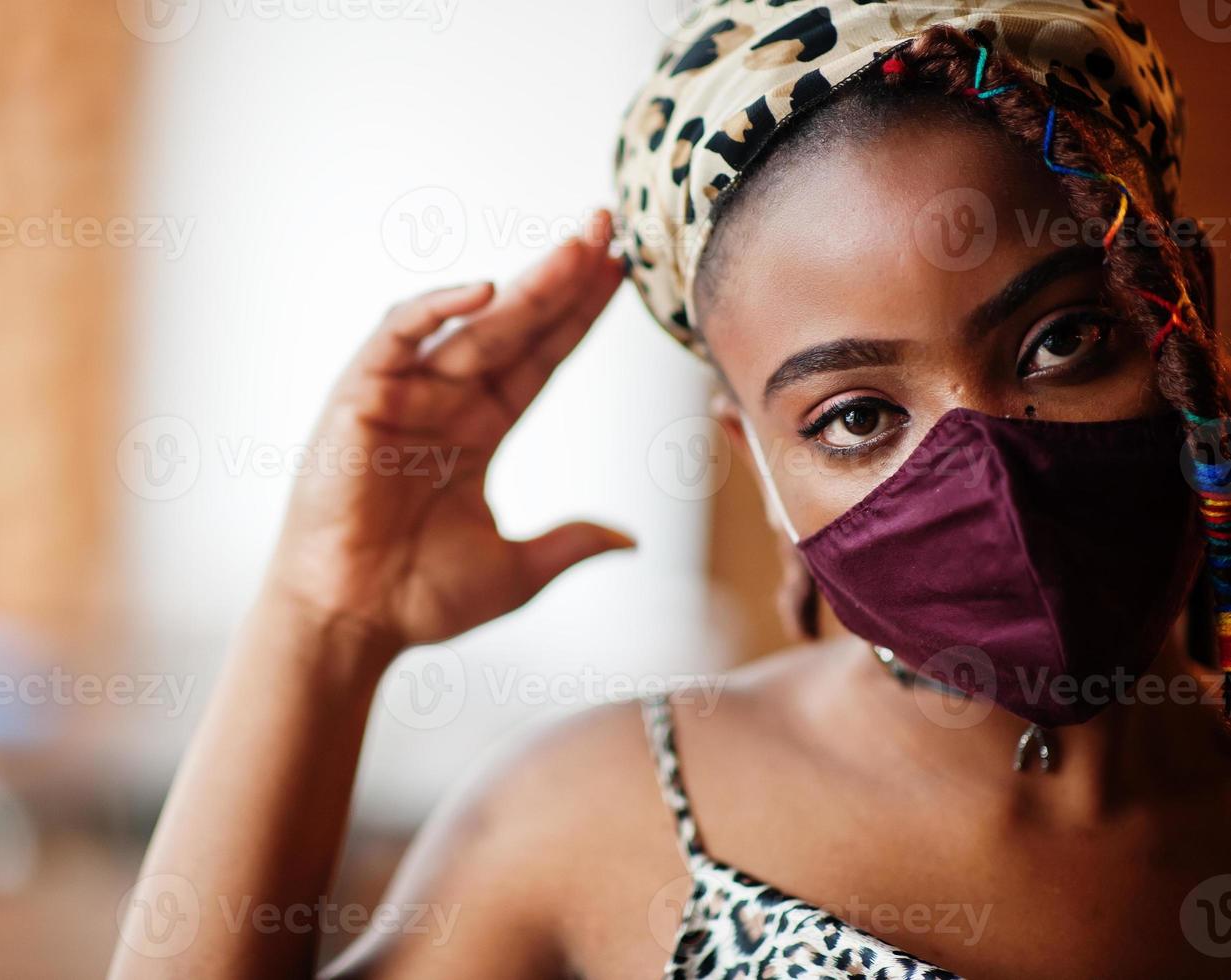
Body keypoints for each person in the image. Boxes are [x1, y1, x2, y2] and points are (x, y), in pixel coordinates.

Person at [110, 3, 1231, 977]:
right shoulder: (606, 819)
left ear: (1178, 299)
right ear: (760, 466)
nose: (991, 466)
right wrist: (322, 624)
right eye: (855, 417)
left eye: (1063, 339)